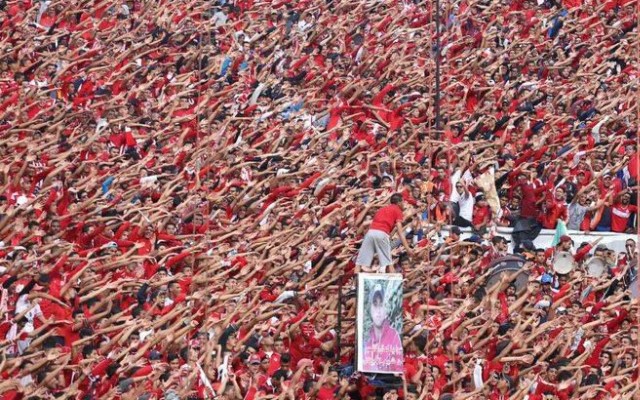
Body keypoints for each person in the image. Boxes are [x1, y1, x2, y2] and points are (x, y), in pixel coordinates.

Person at [355, 193, 413, 273]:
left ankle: (355, 284)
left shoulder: (382, 209)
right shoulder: (397, 211)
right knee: (389, 264)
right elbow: (400, 232)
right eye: (403, 201)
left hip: (370, 232)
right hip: (382, 233)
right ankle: (395, 284)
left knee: (359, 263)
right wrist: (407, 248)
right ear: (399, 202)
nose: (404, 203)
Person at [362, 283, 403, 373]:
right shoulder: (366, 337)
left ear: (387, 310)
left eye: (381, 305)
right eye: (375, 305)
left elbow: (398, 367)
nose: (379, 311)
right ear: (370, 309)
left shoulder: (394, 336)